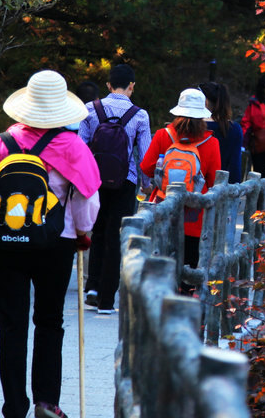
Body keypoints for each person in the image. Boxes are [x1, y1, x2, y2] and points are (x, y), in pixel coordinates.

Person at [0, 70, 101, 418]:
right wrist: (83, 233)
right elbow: (87, 200)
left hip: (8, 243)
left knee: (11, 325)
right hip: (54, 243)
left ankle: (13, 412)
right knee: (49, 320)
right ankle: (47, 401)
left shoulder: (2, 142)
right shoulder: (74, 147)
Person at [75, 63, 151, 315]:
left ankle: (92, 289)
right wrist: (147, 184)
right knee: (115, 236)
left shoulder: (90, 109)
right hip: (125, 182)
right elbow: (145, 156)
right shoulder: (140, 115)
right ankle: (107, 299)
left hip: (95, 180)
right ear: (132, 86)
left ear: (108, 85)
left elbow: (81, 147)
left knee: (97, 232)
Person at [140, 88, 221, 288]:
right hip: (194, 218)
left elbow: (146, 166)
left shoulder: (163, 135)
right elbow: (214, 180)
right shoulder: (211, 143)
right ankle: (184, 308)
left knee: (160, 266)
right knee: (188, 272)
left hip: (163, 210)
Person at [200, 80, 243, 184]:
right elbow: (235, 165)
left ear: (205, 102)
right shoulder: (234, 128)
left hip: (195, 184)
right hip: (223, 186)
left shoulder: (195, 125)